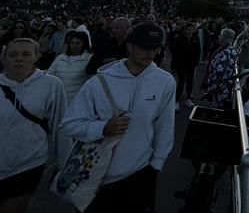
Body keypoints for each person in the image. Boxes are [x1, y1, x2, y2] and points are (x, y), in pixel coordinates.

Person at [60, 23, 176, 213]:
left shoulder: (165, 81)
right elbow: (69, 124)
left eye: (155, 47)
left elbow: (165, 125)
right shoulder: (99, 82)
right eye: (144, 46)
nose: (150, 52)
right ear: (130, 46)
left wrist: (156, 165)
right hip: (94, 177)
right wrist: (103, 128)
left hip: (139, 173)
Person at [1, 38, 67, 213]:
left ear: (37, 56)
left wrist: (64, 164)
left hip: (29, 163)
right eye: (13, 55)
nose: (19, 59)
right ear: (4, 58)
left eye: (26, 54)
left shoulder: (52, 84)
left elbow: (60, 125)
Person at [47, 31, 92, 102]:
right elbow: (50, 75)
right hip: (59, 100)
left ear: (84, 44)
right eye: (72, 43)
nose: (74, 45)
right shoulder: (60, 58)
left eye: (78, 43)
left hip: (78, 101)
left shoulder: (89, 59)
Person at [204, 28, 238, 109]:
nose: (219, 37)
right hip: (223, 86)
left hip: (219, 88)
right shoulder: (230, 49)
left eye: (221, 35)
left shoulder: (226, 51)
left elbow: (219, 71)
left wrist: (211, 85)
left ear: (225, 37)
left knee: (216, 108)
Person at [171, 23, 201, 110]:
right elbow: (175, 53)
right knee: (181, 82)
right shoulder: (180, 38)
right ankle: (176, 101)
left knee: (190, 82)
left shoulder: (195, 38)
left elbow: (198, 51)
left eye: (192, 29)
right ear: (185, 30)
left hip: (191, 65)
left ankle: (188, 99)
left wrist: (196, 62)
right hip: (181, 65)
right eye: (188, 29)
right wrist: (173, 65)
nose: (190, 31)